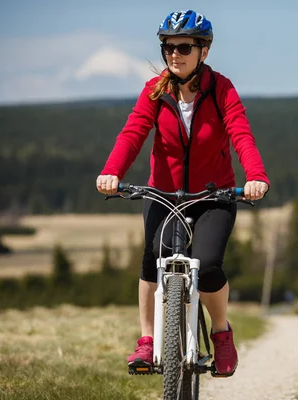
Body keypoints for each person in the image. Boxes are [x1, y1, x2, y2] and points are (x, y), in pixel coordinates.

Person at [96, 9, 270, 377]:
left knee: (207, 266)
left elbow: (240, 133)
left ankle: (221, 332)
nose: (174, 54)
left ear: (203, 51)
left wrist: (255, 176)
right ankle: (147, 340)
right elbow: (133, 134)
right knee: (151, 260)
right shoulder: (154, 91)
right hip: (163, 193)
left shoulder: (221, 89)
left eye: (184, 47)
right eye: (168, 47)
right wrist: (112, 171)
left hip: (214, 196)